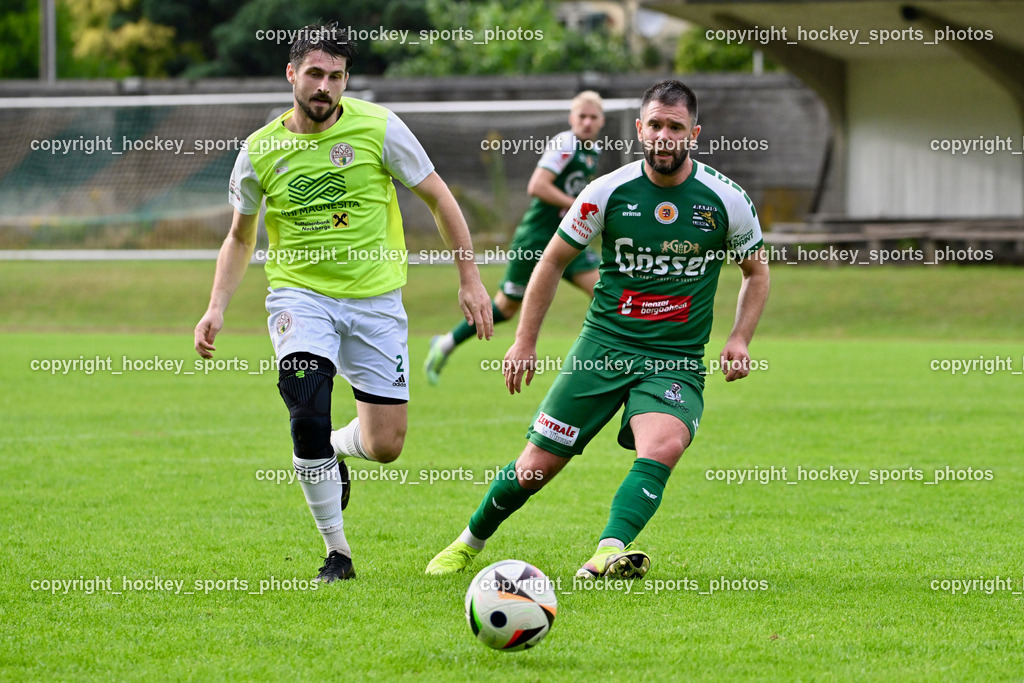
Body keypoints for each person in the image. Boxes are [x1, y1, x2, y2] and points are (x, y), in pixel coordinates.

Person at [426, 80, 770, 579]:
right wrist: (525, 341)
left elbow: (756, 272)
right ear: (640, 130)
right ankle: (467, 543)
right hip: (602, 349)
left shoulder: (726, 199)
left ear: (693, 134)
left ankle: (608, 551)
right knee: (535, 468)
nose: (664, 136)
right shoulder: (606, 191)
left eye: (676, 127)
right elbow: (551, 261)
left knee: (664, 445)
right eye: (656, 125)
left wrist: (739, 337)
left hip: (674, 359)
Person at [193, 22, 492, 583]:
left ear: (346, 80)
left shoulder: (380, 128)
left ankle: (333, 448)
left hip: (376, 303)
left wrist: (469, 277)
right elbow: (239, 236)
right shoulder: (259, 150)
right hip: (299, 296)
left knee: (386, 445)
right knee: (306, 405)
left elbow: (438, 197)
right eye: (314, 74)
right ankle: (338, 553)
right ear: (291, 74)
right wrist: (216, 306)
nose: (324, 87)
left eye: (335, 76)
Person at [423, 92, 606, 385]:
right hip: (536, 241)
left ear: (601, 121)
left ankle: (599, 366)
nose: (586, 122)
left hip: (568, 240)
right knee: (506, 308)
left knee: (604, 292)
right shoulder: (566, 143)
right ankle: (444, 344)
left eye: (592, 117)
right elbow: (537, 186)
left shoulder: (592, 151)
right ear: (572, 118)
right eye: (581, 116)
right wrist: (576, 205)